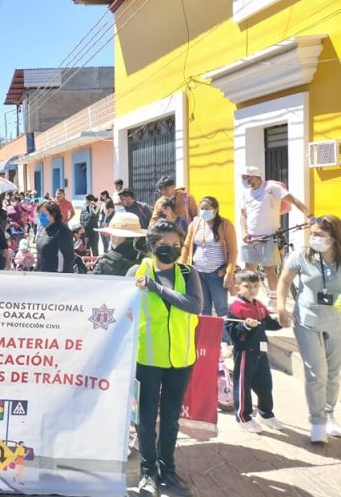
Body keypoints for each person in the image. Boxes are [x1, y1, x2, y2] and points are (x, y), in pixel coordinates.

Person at [130, 219, 202, 497]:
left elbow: (194, 305)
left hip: (181, 359)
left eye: (176, 245)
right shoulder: (138, 271)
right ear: (152, 246)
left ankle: (168, 471)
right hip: (147, 359)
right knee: (146, 418)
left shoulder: (188, 272)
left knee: (171, 418)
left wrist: (156, 288)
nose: (170, 250)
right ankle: (148, 471)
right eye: (164, 245)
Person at [276, 214, 341, 444]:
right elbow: (284, 281)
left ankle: (329, 413)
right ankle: (317, 421)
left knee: (333, 373)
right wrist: (281, 307)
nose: (314, 238)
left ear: (334, 237)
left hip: (336, 321)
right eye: (312, 234)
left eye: (320, 235)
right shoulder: (302, 256)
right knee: (316, 372)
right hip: (307, 320)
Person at [240, 165, 312, 298]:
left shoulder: (271, 188)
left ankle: (275, 299)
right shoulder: (246, 194)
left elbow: (294, 200)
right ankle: (248, 299)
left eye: (245, 177)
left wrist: (310, 216)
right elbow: (243, 215)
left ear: (254, 176)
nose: (243, 180)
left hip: (269, 236)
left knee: (269, 270)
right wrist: (244, 232)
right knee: (249, 270)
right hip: (251, 237)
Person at [225, 270, 283, 433]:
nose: (252, 289)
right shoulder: (236, 307)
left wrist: (281, 321)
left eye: (256, 286)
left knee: (265, 383)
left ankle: (265, 413)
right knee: (243, 384)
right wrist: (245, 326)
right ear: (237, 288)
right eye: (247, 286)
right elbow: (232, 332)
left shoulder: (259, 304)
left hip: (261, 350)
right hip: (245, 352)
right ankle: (243, 416)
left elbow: (267, 323)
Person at [181, 196, 237, 344]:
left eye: (207, 209)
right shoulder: (196, 223)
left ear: (216, 209)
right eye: (202, 209)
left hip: (217, 273)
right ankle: (206, 340)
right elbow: (187, 246)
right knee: (203, 307)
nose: (204, 212)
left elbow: (233, 251)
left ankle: (227, 341)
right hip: (198, 272)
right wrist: (182, 265)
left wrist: (229, 272)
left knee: (221, 308)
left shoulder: (225, 225)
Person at [35, 201, 74, 273]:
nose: (40, 216)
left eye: (43, 214)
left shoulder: (63, 231)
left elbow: (67, 259)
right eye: (39, 214)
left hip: (55, 278)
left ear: (53, 214)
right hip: (41, 276)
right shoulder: (44, 229)